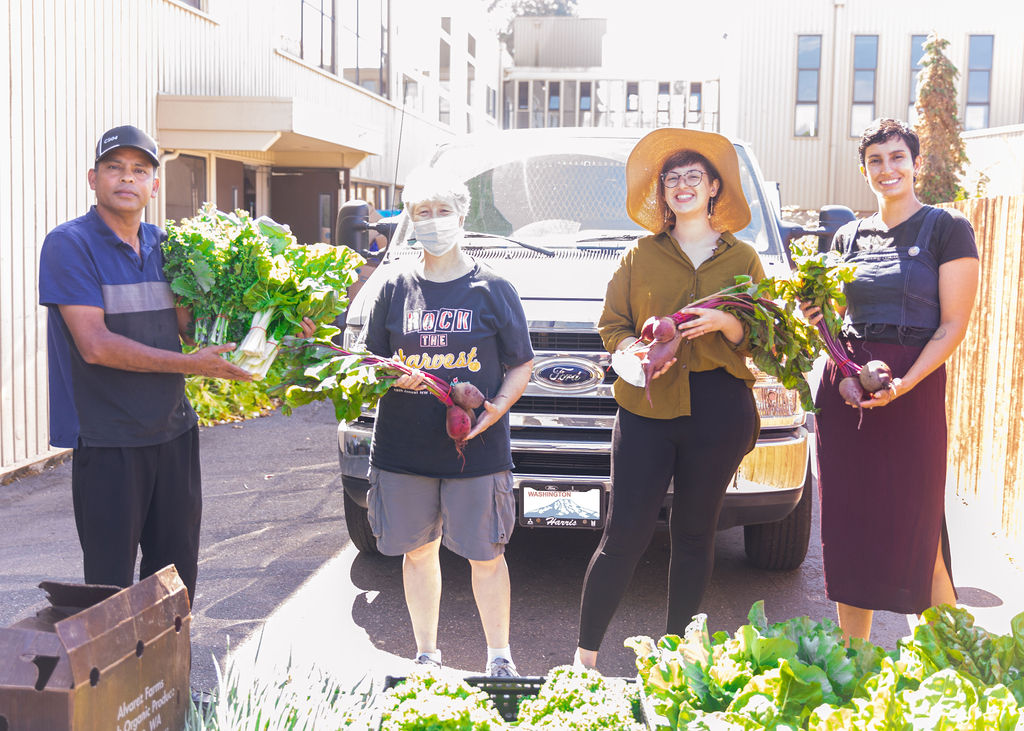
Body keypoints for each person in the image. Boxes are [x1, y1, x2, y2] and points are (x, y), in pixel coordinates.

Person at [37, 125, 312, 605]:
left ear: (154, 185)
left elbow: (193, 329)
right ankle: (120, 682)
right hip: (109, 440)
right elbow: (96, 346)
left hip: (174, 434)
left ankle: (171, 682)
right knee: (110, 590)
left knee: (176, 577)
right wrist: (194, 366)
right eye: (114, 168)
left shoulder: (168, 247)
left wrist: (281, 328)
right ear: (92, 178)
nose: (127, 179)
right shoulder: (69, 245)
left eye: (139, 170)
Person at [576, 129, 762, 668]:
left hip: (719, 408)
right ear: (663, 193)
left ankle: (677, 658)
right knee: (625, 533)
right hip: (647, 408)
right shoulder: (639, 255)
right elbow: (611, 323)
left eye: (693, 177)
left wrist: (728, 322)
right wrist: (632, 351)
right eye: (672, 178)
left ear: (713, 189)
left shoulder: (743, 257)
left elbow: (767, 339)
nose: (682, 186)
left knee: (696, 532)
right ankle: (584, 660)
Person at [802, 118, 979, 642]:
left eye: (897, 157)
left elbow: (953, 326)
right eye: (876, 161)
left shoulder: (948, 228)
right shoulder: (847, 236)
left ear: (915, 163)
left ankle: (954, 665)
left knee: (916, 529)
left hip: (913, 393)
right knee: (851, 529)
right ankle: (853, 664)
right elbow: (832, 320)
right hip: (849, 393)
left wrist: (908, 382)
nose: (888, 169)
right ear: (864, 169)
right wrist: (817, 322)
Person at [362, 167, 534, 676]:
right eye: (421, 213)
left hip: (477, 447)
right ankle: (426, 655)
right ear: (410, 222)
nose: (433, 221)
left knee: (486, 556)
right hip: (404, 448)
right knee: (417, 554)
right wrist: (394, 380)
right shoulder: (393, 285)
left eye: (442, 212)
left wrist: (496, 409)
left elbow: (522, 362)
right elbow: (369, 361)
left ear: (462, 216)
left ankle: (499, 658)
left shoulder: (493, 288)